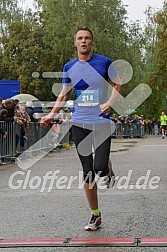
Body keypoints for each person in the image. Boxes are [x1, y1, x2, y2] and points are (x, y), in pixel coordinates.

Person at [40, 27, 121, 231]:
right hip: (79, 122)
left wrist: (110, 101)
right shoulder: (69, 66)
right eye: (80, 38)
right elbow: (65, 95)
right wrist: (52, 114)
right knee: (88, 172)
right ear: (75, 43)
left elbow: (118, 83)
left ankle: (107, 168)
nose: (83, 41)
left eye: (87, 38)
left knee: (100, 167)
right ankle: (95, 214)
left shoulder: (104, 62)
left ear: (92, 42)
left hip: (101, 121)